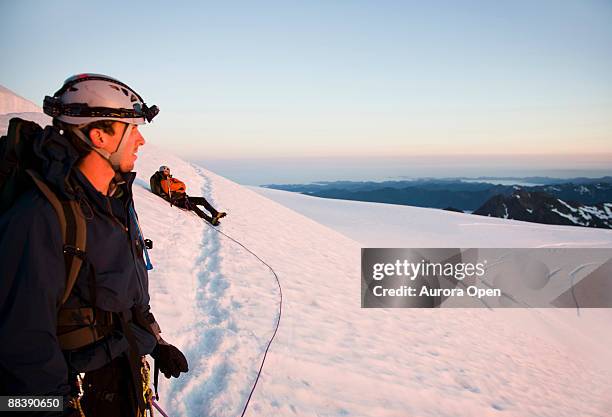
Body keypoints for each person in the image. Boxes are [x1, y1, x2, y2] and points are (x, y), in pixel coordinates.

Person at [0, 74, 188, 416]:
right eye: (131, 130)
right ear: (99, 135)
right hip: (79, 393)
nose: (141, 140)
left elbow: (124, 295)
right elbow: (20, 349)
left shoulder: (114, 202)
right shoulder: (40, 219)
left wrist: (155, 342)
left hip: (120, 376)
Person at [150, 165, 227, 225]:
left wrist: (180, 186)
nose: (167, 172)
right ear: (162, 171)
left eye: (168, 171)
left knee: (201, 199)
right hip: (177, 200)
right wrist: (180, 187)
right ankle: (209, 219)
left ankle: (215, 213)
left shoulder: (169, 179)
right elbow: (171, 188)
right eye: (165, 171)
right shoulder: (164, 180)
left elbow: (182, 185)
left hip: (182, 197)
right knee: (192, 204)